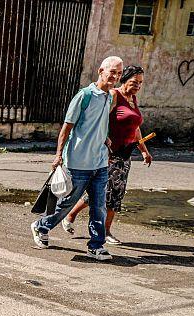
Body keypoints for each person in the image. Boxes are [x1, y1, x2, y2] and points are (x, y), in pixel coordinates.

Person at [30, 56, 123, 261]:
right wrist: (58, 156)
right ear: (101, 71)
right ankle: (41, 226)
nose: (115, 77)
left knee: (98, 206)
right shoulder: (84, 96)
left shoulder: (110, 97)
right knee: (66, 204)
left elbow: (99, 123)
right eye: (112, 72)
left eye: (118, 73)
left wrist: (105, 139)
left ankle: (96, 246)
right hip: (78, 162)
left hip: (99, 162)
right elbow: (67, 127)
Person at [60, 65, 152, 245]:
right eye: (134, 82)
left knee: (115, 193)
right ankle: (99, 229)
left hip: (125, 155)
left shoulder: (132, 98)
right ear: (123, 79)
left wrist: (144, 150)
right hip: (109, 153)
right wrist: (103, 143)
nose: (137, 86)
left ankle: (77, 217)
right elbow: (99, 120)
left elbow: (135, 128)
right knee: (103, 193)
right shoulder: (113, 96)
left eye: (140, 83)